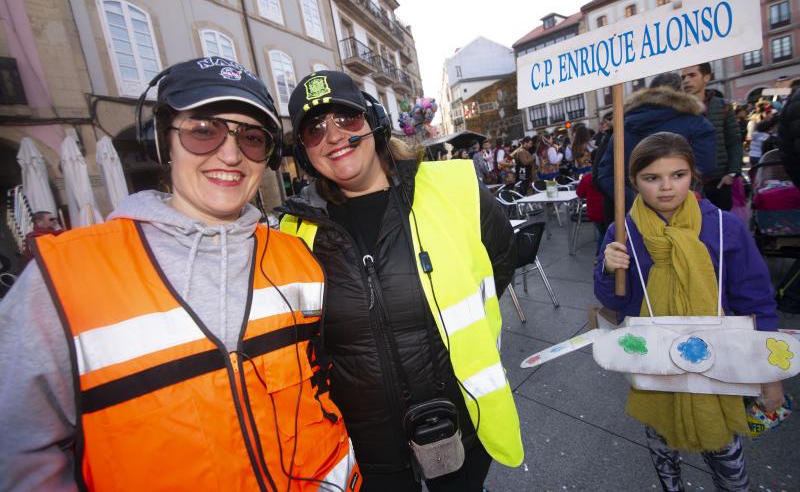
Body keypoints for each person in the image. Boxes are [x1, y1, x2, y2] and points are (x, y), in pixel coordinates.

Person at [0, 57, 359, 491]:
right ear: (161, 143)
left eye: (251, 138)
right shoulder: (62, 275)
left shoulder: (296, 257)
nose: (230, 154)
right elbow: (17, 449)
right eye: (203, 131)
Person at [278, 70, 523, 492]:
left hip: (461, 421)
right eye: (314, 130)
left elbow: (501, 261)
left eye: (346, 119)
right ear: (304, 154)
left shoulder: (455, 187)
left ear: (375, 120)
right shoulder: (292, 231)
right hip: (366, 447)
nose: (333, 136)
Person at [594, 132, 781, 492]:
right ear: (634, 181)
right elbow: (615, 303)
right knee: (663, 449)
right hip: (655, 365)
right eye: (652, 178)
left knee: (726, 454)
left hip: (719, 364)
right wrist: (607, 268)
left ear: (692, 175)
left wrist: (769, 372)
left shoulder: (725, 228)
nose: (666, 188)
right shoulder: (623, 232)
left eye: (677, 175)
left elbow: (756, 300)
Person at [596, 71, 716, 213]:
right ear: (681, 93)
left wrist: (633, 200)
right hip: (683, 212)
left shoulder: (624, 125)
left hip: (636, 215)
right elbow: (705, 167)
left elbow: (605, 174)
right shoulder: (697, 122)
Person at [681, 63, 743, 211]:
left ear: (706, 77)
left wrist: (731, 173)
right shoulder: (679, 110)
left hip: (719, 182)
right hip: (689, 183)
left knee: (721, 228)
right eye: (683, 77)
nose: (686, 80)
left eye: (692, 75)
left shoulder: (723, 106)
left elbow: (734, 141)